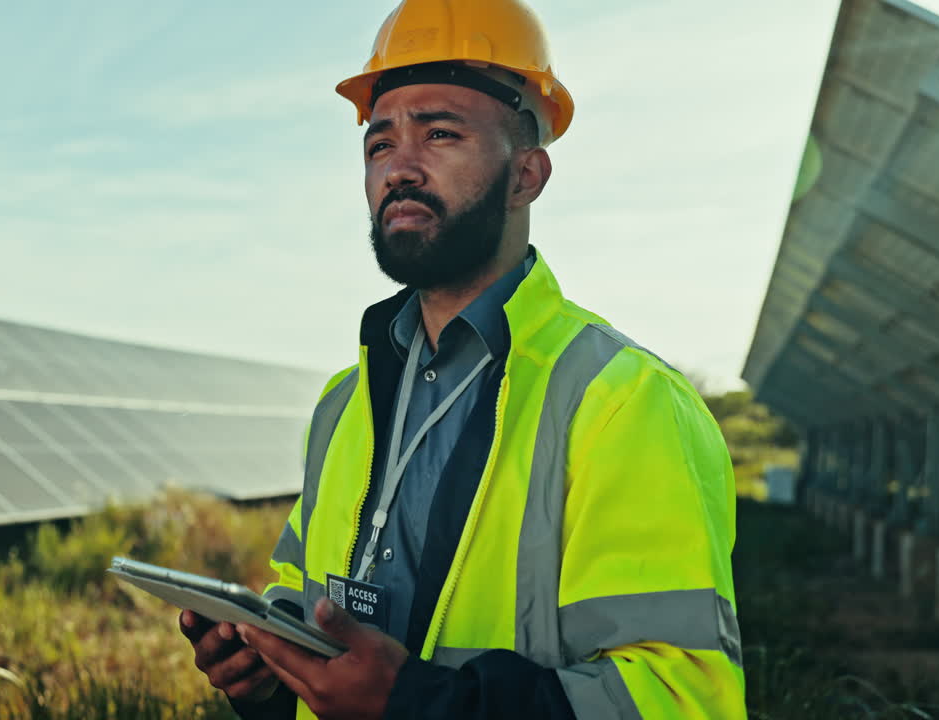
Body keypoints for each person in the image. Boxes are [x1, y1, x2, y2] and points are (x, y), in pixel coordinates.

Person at [179, 1, 745, 717]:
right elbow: (302, 594)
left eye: (440, 134)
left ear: (526, 176)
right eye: (379, 145)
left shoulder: (624, 401)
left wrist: (414, 705)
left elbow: (680, 696)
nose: (400, 169)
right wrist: (267, 669)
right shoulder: (342, 404)